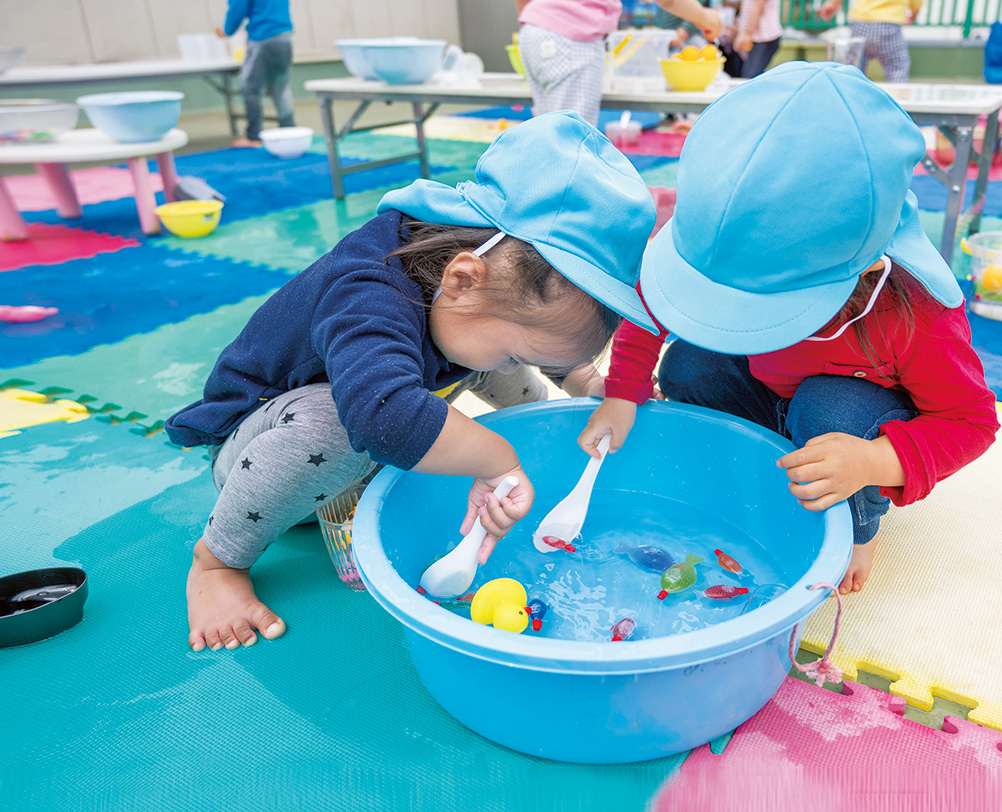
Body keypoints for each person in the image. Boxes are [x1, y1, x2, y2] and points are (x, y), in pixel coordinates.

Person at [166, 112, 659, 651]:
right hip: (263, 453)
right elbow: (379, 413)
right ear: (462, 279)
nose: (514, 362)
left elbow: (532, 342)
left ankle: (508, 388)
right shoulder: (365, 289)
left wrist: (588, 383)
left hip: (370, 431)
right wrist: (497, 460)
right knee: (342, 418)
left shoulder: (474, 291)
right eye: (518, 350)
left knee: (496, 358)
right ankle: (215, 563)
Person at [578, 63, 999, 596]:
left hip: (850, 430)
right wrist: (623, 395)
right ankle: (761, 462)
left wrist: (870, 462)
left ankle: (857, 518)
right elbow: (653, 305)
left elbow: (970, 422)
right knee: (689, 363)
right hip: (771, 392)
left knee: (830, 413)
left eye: (768, 302)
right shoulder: (725, 234)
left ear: (866, 269)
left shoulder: (913, 308)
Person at [515, 0, 722, 127]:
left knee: (546, 130)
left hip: (533, 30)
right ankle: (564, 197)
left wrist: (536, 19)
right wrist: (705, 16)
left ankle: (544, 194)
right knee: (572, 138)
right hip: (572, 37)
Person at [217, 0, 296, 148]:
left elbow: (237, 9)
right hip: (284, 38)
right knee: (281, 88)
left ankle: (253, 137)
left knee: (250, 89)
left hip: (263, 38)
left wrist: (226, 31)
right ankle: (290, 131)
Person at [817, 0, 920, 83]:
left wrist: (833, 4)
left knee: (854, 66)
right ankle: (898, 101)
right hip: (888, 24)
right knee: (897, 66)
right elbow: (917, 3)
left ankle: (849, 95)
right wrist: (914, 14)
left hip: (861, 22)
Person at [732, 0, 782, 78]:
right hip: (757, 38)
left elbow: (757, 7)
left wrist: (747, 35)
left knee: (750, 77)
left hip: (764, 37)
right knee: (748, 75)